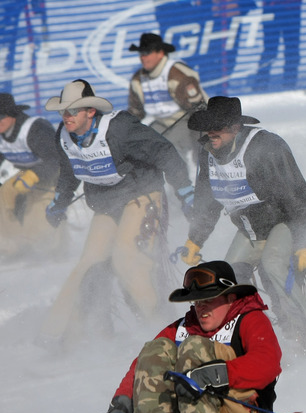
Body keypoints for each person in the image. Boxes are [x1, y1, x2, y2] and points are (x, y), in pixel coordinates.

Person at [39, 79, 195, 343]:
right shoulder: (63, 135)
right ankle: (66, 335)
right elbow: (70, 171)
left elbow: (165, 153)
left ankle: (166, 335)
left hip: (141, 195)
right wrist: (59, 202)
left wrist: (185, 191)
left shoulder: (121, 129)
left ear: (90, 111)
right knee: (88, 265)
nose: (66, 116)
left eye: (72, 110)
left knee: (127, 259)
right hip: (107, 204)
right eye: (63, 111)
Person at [178, 96, 306, 351]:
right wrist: (195, 239)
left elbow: (297, 194)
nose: (210, 134)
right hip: (249, 228)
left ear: (235, 128)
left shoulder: (265, 146)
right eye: (208, 128)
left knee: (272, 265)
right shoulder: (208, 153)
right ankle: (253, 335)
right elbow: (207, 200)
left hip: (284, 221)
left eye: (218, 128)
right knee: (230, 278)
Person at [98, 260, 282, 413]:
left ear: (230, 297)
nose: (201, 308)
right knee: (156, 349)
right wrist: (120, 406)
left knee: (195, 346)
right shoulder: (182, 328)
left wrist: (214, 374)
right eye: (197, 302)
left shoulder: (250, 319)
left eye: (208, 300)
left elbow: (267, 362)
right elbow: (143, 366)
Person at [128, 33, 207, 173]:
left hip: (187, 120)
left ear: (160, 53)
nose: (142, 57)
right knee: (142, 147)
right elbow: (135, 112)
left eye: (147, 52)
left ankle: (186, 185)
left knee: (170, 149)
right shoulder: (138, 79)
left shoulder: (177, 74)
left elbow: (199, 110)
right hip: (160, 122)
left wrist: (202, 144)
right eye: (141, 53)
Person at [0, 93, 67, 259]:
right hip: (24, 174)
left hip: (52, 175)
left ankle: (55, 249)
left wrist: (34, 175)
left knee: (40, 217)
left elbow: (56, 160)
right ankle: (15, 245)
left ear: (12, 114)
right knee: (4, 196)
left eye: (1, 116)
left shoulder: (34, 129)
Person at [256, 0, 302, 90]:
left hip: (292, 10)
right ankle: (260, 85)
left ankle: (290, 84)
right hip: (271, 10)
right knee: (270, 50)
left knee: (292, 50)